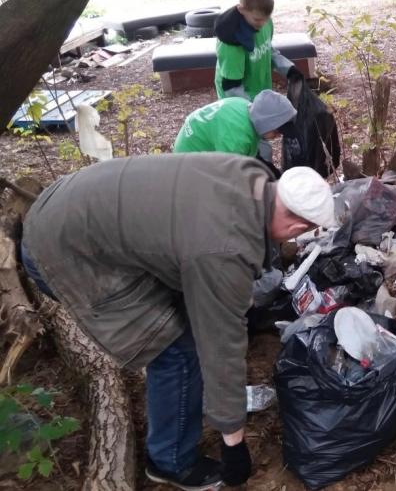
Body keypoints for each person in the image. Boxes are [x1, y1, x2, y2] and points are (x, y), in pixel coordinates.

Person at [20, 155, 338, 489]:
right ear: (297, 226)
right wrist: (234, 443)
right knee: (177, 350)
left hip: (64, 203)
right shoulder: (222, 247)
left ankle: (183, 402)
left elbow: (203, 252)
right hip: (64, 251)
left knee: (186, 317)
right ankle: (170, 461)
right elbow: (221, 348)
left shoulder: (249, 175)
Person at [214, 0, 303, 101]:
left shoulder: (264, 23)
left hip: (260, 92)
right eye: (257, 19)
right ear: (241, 9)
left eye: (266, 19)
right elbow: (232, 88)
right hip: (238, 101)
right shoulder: (231, 44)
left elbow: (267, 49)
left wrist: (289, 69)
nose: (263, 24)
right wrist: (255, 109)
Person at [174, 89, 297, 167]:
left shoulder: (244, 106)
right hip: (189, 162)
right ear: (266, 123)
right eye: (277, 131)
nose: (279, 135)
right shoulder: (236, 140)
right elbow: (227, 175)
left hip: (197, 139)